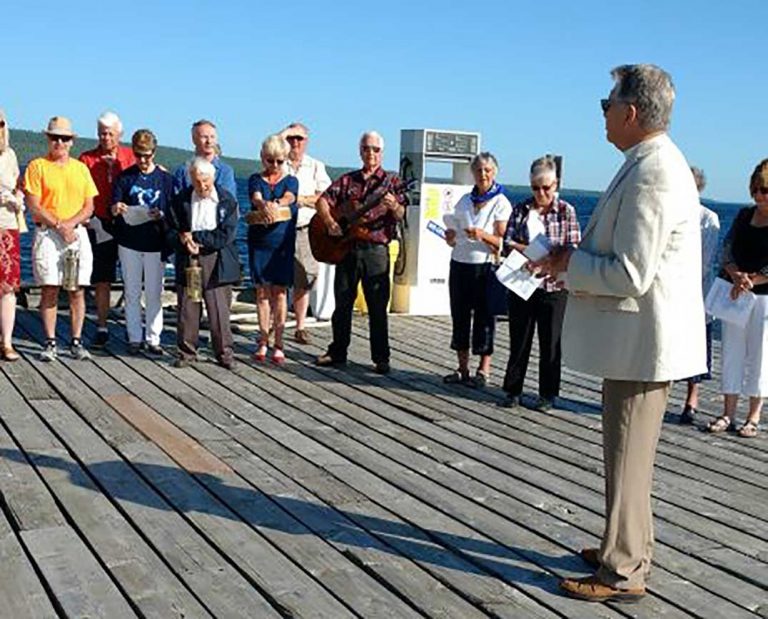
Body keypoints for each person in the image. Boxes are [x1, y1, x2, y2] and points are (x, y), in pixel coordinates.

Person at [531, 65, 705, 602]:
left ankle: (624, 570)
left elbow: (632, 272)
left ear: (630, 112)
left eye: (606, 103)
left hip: (642, 346)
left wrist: (569, 265)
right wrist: (573, 259)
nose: (603, 113)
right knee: (627, 455)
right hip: (640, 344)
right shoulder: (649, 162)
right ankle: (624, 545)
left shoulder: (653, 171)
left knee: (628, 457)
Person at [315, 131, 407, 374]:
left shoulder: (392, 182)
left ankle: (381, 357)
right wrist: (330, 222)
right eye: (367, 148)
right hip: (347, 248)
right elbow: (323, 200)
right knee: (342, 303)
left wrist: (394, 206)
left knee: (377, 306)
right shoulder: (347, 180)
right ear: (360, 151)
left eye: (376, 149)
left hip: (376, 249)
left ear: (382, 153)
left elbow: (401, 214)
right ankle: (337, 351)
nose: (371, 153)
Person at [500, 156, 581, 410]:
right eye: (536, 187)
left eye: (546, 187)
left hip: (553, 286)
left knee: (551, 342)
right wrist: (530, 252)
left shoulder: (567, 211)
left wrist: (550, 258)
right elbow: (507, 242)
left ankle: (548, 394)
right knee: (519, 339)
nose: (541, 193)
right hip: (522, 282)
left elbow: (574, 246)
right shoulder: (521, 209)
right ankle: (513, 390)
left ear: (555, 185)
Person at [24, 116, 98, 362]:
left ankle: (76, 341)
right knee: (49, 287)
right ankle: (50, 341)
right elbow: (33, 205)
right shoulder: (37, 166)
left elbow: (89, 206)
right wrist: (58, 225)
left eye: (64, 138)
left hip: (76, 233)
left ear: (71, 142)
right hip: (48, 233)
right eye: (55, 137)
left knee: (77, 289)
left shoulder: (81, 169)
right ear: (48, 138)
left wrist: (68, 225)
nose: (60, 142)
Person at [706, 159, 768, 439]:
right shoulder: (744, 216)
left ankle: (753, 416)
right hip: (736, 294)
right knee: (731, 351)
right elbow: (728, 249)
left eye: (765, 190)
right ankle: (727, 412)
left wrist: (751, 280)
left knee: (760, 356)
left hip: (763, 298)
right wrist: (735, 276)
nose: (759, 196)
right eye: (756, 189)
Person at [442, 152, 511, 388]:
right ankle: (462, 368)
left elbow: (503, 241)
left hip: (484, 265)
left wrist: (481, 234)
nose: (483, 174)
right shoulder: (464, 200)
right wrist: (450, 236)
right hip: (460, 262)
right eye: (479, 170)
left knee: (484, 316)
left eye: (487, 170)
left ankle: (484, 369)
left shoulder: (501, 202)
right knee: (459, 314)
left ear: (495, 172)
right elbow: (454, 239)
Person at [169, 157, 239, 369]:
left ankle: (225, 353)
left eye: (206, 182)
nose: (202, 186)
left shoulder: (227, 200)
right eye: (197, 182)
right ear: (191, 178)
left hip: (216, 258)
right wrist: (183, 238)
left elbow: (226, 234)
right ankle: (187, 353)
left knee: (218, 310)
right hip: (189, 258)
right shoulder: (181, 199)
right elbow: (171, 228)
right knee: (189, 307)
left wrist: (197, 238)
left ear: (214, 178)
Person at [111, 129, 174, 355]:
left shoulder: (166, 179)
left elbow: (174, 210)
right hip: (129, 240)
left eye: (147, 155)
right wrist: (117, 208)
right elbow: (114, 204)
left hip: (156, 242)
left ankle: (153, 337)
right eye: (139, 155)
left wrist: (162, 214)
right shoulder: (125, 177)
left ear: (154, 153)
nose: (143, 160)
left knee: (155, 292)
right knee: (132, 290)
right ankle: (134, 336)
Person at [79, 112, 135, 348]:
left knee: (133, 277)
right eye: (102, 132)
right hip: (99, 223)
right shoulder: (86, 159)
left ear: (119, 134)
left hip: (127, 223)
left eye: (110, 133)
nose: (106, 137)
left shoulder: (131, 156)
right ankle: (102, 326)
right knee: (102, 278)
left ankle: (135, 329)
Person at [245, 135, 298, 365]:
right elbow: (256, 196)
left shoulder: (291, 180)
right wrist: (263, 204)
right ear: (262, 158)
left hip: (282, 245)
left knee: (280, 293)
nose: (274, 166)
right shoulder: (255, 179)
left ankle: (279, 342)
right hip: (260, 242)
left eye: (279, 161)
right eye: (270, 160)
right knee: (262, 293)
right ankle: (263, 340)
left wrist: (278, 204)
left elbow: (290, 196)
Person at [280, 122, 331, 345]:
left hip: (305, 229)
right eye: (291, 138)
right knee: (278, 280)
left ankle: (300, 326)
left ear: (307, 141)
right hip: (280, 228)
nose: (295, 142)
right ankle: (277, 325)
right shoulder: (278, 162)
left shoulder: (316, 166)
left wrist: (300, 199)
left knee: (304, 278)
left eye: (299, 138)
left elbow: (325, 197)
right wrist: (282, 135)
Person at [680, 167, 720, 424]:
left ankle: (691, 399)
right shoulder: (670, 213)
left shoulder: (708, 218)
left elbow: (706, 259)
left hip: (695, 291)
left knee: (697, 347)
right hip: (669, 292)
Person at [0, 110, 24, 361]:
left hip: (8, 225)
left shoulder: (10, 155)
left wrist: (17, 198)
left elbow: (17, 185)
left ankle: (6, 342)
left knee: (8, 287)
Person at [173, 119, 237, 199]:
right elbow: (177, 203)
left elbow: (229, 202)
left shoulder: (225, 171)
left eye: (212, 137)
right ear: (194, 139)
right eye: (204, 137)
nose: (209, 141)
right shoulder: (183, 171)